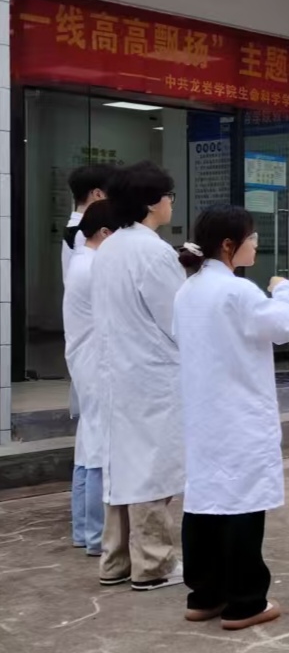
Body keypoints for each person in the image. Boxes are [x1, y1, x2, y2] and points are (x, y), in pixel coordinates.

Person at [175, 205, 289, 631]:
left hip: (203, 412)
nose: (256, 244)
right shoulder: (238, 291)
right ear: (229, 245)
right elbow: (285, 326)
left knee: (205, 501)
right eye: (251, 238)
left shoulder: (188, 290)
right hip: (239, 413)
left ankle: (205, 593)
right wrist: (286, 289)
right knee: (243, 503)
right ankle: (246, 600)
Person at [93, 162, 190, 591]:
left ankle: (115, 559)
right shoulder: (153, 252)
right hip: (152, 373)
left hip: (117, 369)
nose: (171, 203)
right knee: (153, 467)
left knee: (122, 464)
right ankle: (152, 564)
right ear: (153, 202)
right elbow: (176, 318)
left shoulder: (110, 246)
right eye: (169, 196)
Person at [62, 201, 116, 557]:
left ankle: (84, 531)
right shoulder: (95, 266)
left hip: (85, 361)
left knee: (87, 445)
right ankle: (97, 536)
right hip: (97, 362)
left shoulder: (81, 261)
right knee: (99, 449)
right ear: (105, 233)